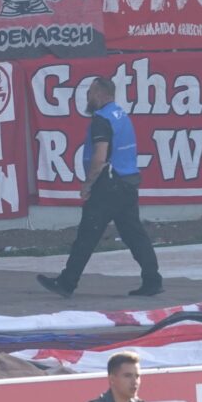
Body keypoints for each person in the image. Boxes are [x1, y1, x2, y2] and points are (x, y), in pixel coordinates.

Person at [39, 76, 163, 298]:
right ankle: (153, 280)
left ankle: (67, 282)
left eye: (89, 91)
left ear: (99, 94)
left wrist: (87, 184)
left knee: (87, 234)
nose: (87, 96)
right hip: (128, 181)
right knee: (134, 234)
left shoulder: (101, 119)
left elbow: (99, 157)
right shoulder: (121, 115)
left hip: (109, 184)